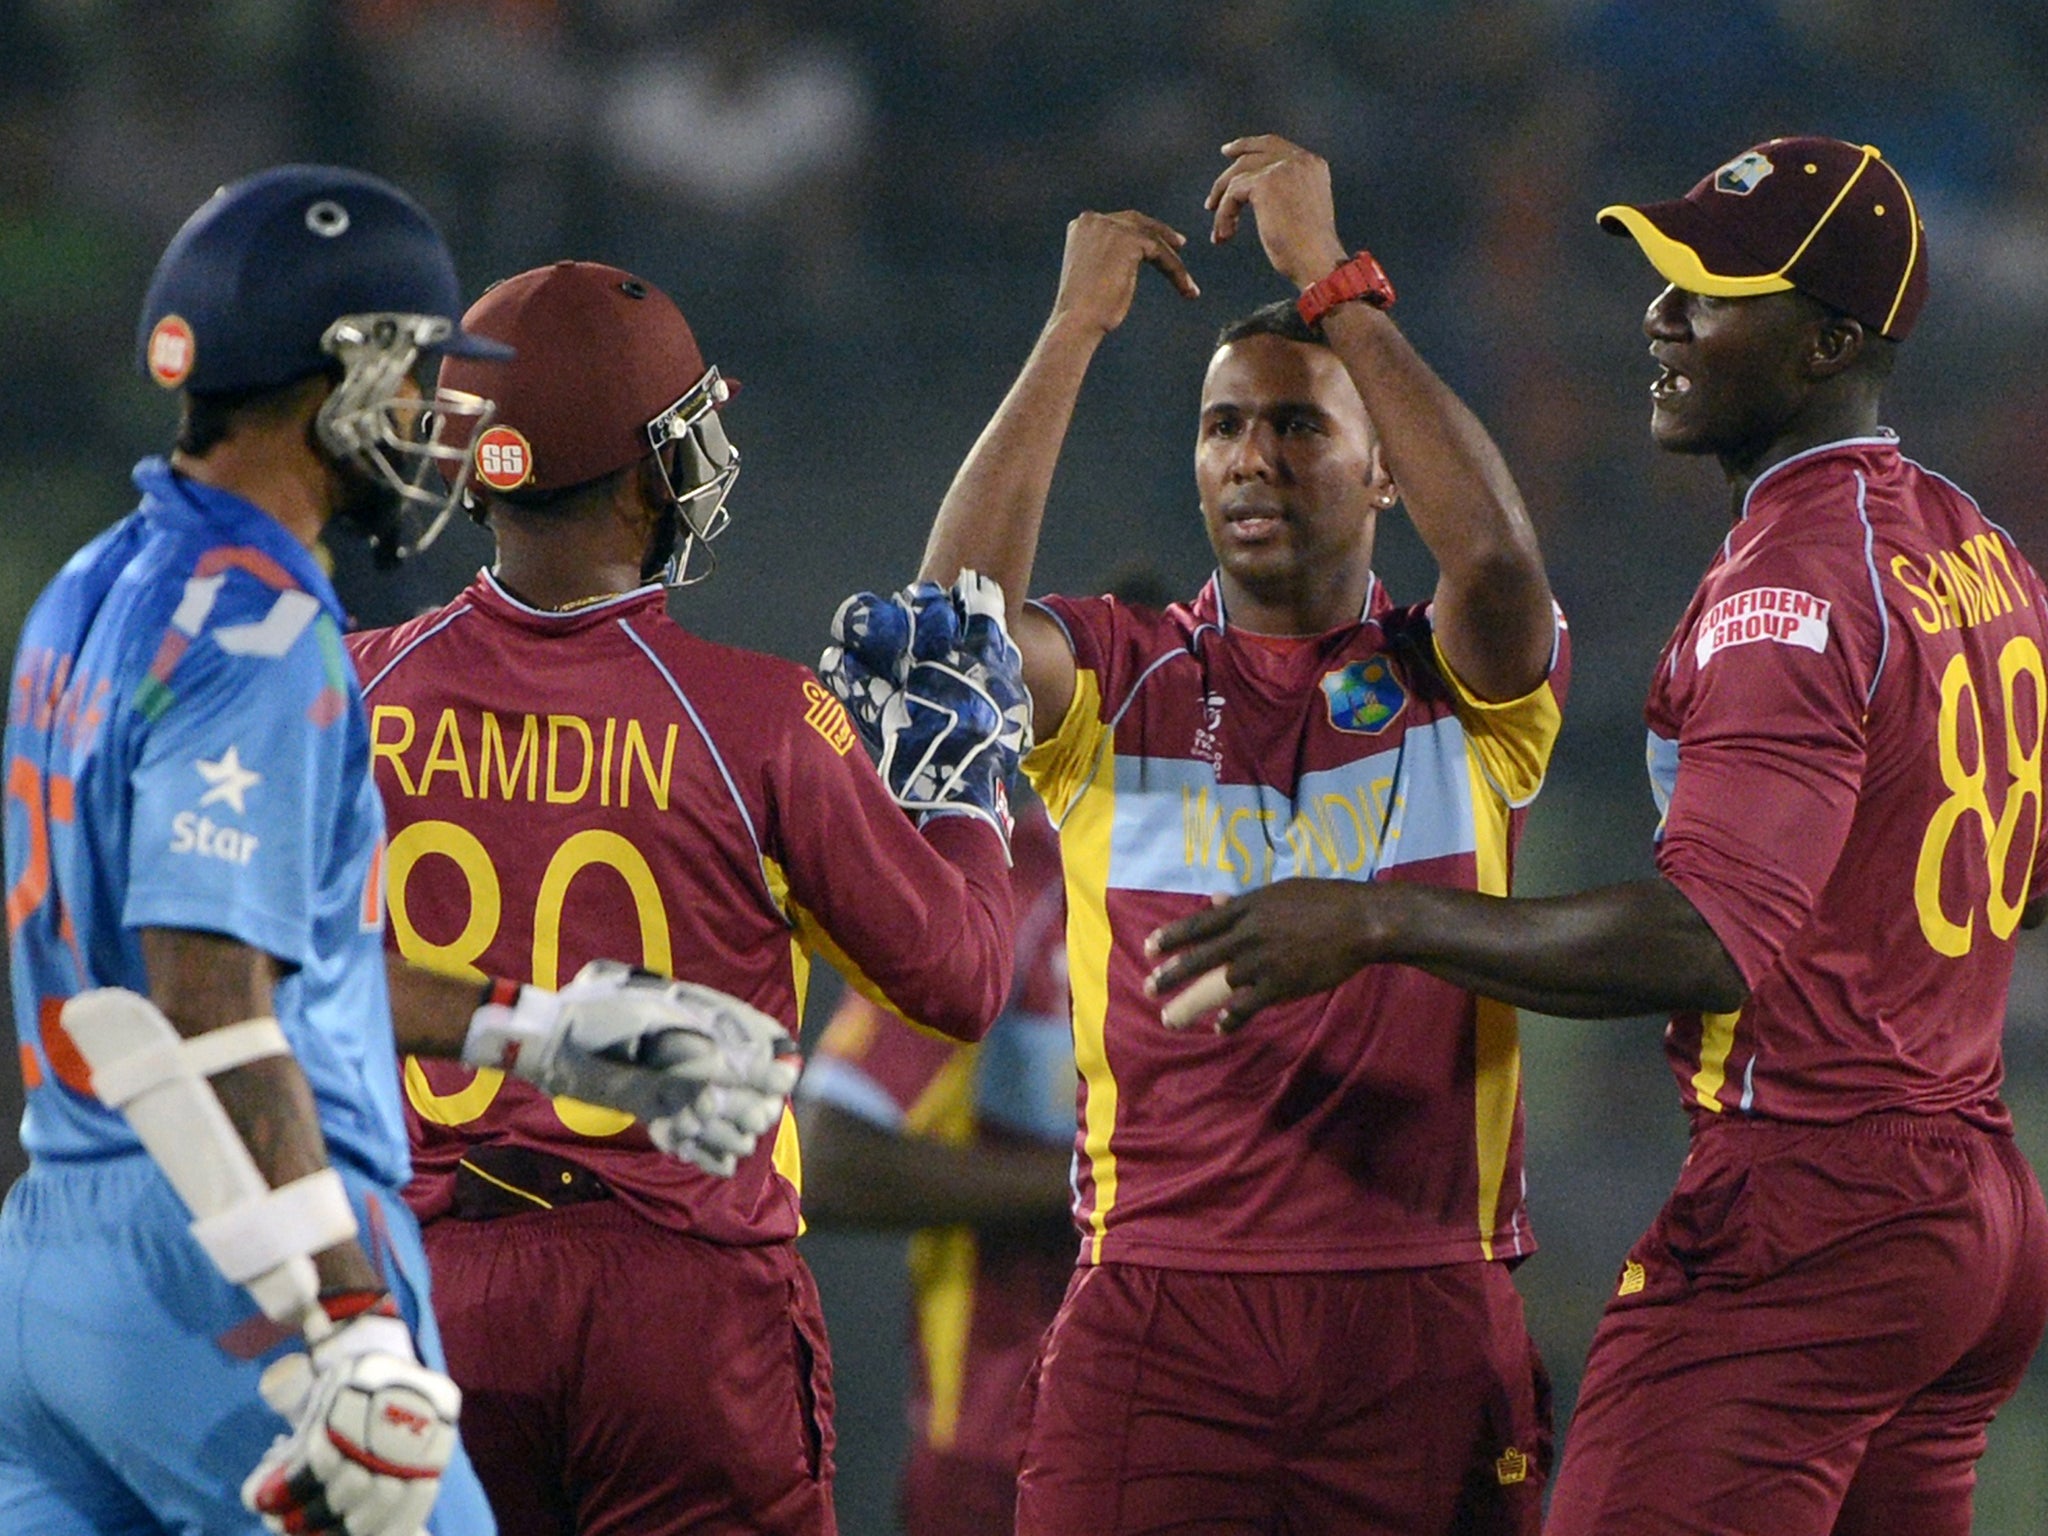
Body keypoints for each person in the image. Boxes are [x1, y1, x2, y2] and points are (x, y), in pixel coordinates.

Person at [1145, 136, 2048, 1535]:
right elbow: (2021, 879)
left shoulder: (1797, 583)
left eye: (1714, 289)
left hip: (1814, 1208)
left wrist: (1377, 918)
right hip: (1967, 1197)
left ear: (1828, 345)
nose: (1663, 314)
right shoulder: (1969, 543)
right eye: (1668, 276)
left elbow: (1706, 944)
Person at [0, 167, 799, 1536]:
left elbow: (230, 963)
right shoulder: (260, 630)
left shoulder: (92, 587)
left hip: (58, 1263)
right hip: (233, 1277)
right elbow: (210, 1001)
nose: (445, 422)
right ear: (348, 375)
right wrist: (348, 1316)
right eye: (428, 375)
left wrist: (523, 1030)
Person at [857, 132, 1570, 1533]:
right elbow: (939, 648)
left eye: (1300, 426)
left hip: (1419, 1301)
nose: (1254, 457)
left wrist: (1330, 278)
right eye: (1223, 425)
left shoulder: (1468, 688)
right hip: (1156, 1315)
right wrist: (1072, 328)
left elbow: (1493, 559)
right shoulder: (1118, 680)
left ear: (1382, 475)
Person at [346, 258, 1025, 1536]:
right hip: (679, 1301)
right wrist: (962, 803)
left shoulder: (343, 693)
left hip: (424, 1293)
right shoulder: (759, 720)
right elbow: (961, 980)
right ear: (656, 470)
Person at [796, 794, 1075, 1536]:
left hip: (1230, 1434)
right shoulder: (1020, 881)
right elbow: (826, 1157)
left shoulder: (1287, 886)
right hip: (1002, 1454)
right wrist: (1110, 1184)